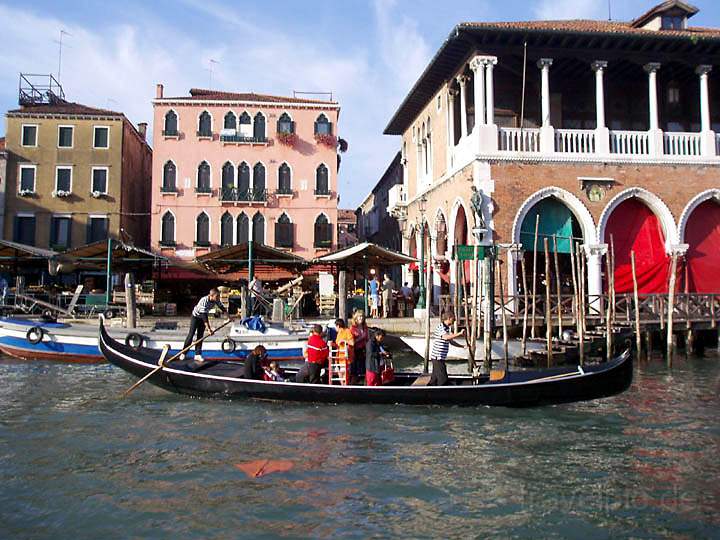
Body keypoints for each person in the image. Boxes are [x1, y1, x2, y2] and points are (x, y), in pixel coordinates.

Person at [181, 288, 227, 362]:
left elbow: (222, 308)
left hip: (202, 318)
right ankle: (183, 353)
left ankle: (197, 354)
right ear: (211, 296)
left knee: (200, 336)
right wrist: (209, 329)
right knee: (191, 334)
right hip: (196, 317)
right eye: (217, 296)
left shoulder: (216, 300)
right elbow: (204, 316)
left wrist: (229, 317)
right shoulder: (204, 300)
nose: (218, 298)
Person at [429, 311, 465, 386]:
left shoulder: (447, 328)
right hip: (437, 358)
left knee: (434, 379)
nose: (454, 321)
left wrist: (462, 346)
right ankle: (441, 393)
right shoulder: (441, 327)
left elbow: (451, 341)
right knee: (443, 380)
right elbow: (446, 337)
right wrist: (459, 333)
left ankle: (429, 390)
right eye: (453, 319)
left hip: (440, 358)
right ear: (449, 318)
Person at [350, 311, 369, 383]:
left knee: (365, 366)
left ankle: (365, 381)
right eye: (359, 317)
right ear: (356, 318)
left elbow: (367, 338)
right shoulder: (353, 328)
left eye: (362, 316)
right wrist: (360, 338)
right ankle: (353, 381)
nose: (361, 318)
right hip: (355, 350)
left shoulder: (365, 327)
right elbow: (352, 341)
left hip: (364, 349)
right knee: (355, 367)